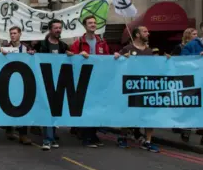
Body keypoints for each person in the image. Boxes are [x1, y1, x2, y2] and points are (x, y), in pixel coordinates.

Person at [114, 26, 159, 153]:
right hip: (131, 86)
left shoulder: (149, 51)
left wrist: (166, 61)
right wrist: (118, 56)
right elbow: (116, 64)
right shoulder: (128, 49)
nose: (148, 33)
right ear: (137, 35)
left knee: (149, 114)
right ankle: (123, 136)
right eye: (145, 31)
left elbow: (155, 68)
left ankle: (148, 141)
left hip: (147, 87)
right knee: (128, 112)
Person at [70, 15, 109, 148]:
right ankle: (86, 137)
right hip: (84, 79)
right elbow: (71, 59)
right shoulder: (78, 43)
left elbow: (107, 60)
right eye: (90, 23)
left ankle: (92, 134)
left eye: (94, 22)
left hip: (97, 80)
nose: (93, 25)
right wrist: (78, 56)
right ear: (85, 26)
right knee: (86, 108)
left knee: (96, 107)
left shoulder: (102, 42)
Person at [39, 19, 72, 150]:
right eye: (55, 28)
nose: (58, 30)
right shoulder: (42, 45)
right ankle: (48, 139)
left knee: (55, 110)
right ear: (50, 30)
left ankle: (51, 136)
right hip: (45, 81)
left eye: (60, 28)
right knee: (48, 110)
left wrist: (71, 55)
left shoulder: (64, 46)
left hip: (60, 81)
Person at [2, 26, 32, 145]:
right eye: (11, 33)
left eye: (15, 33)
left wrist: (32, 54)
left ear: (20, 34)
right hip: (10, 80)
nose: (13, 35)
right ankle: (10, 129)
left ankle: (23, 134)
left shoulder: (26, 48)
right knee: (10, 104)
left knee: (24, 107)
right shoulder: (5, 48)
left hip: (23, 81)